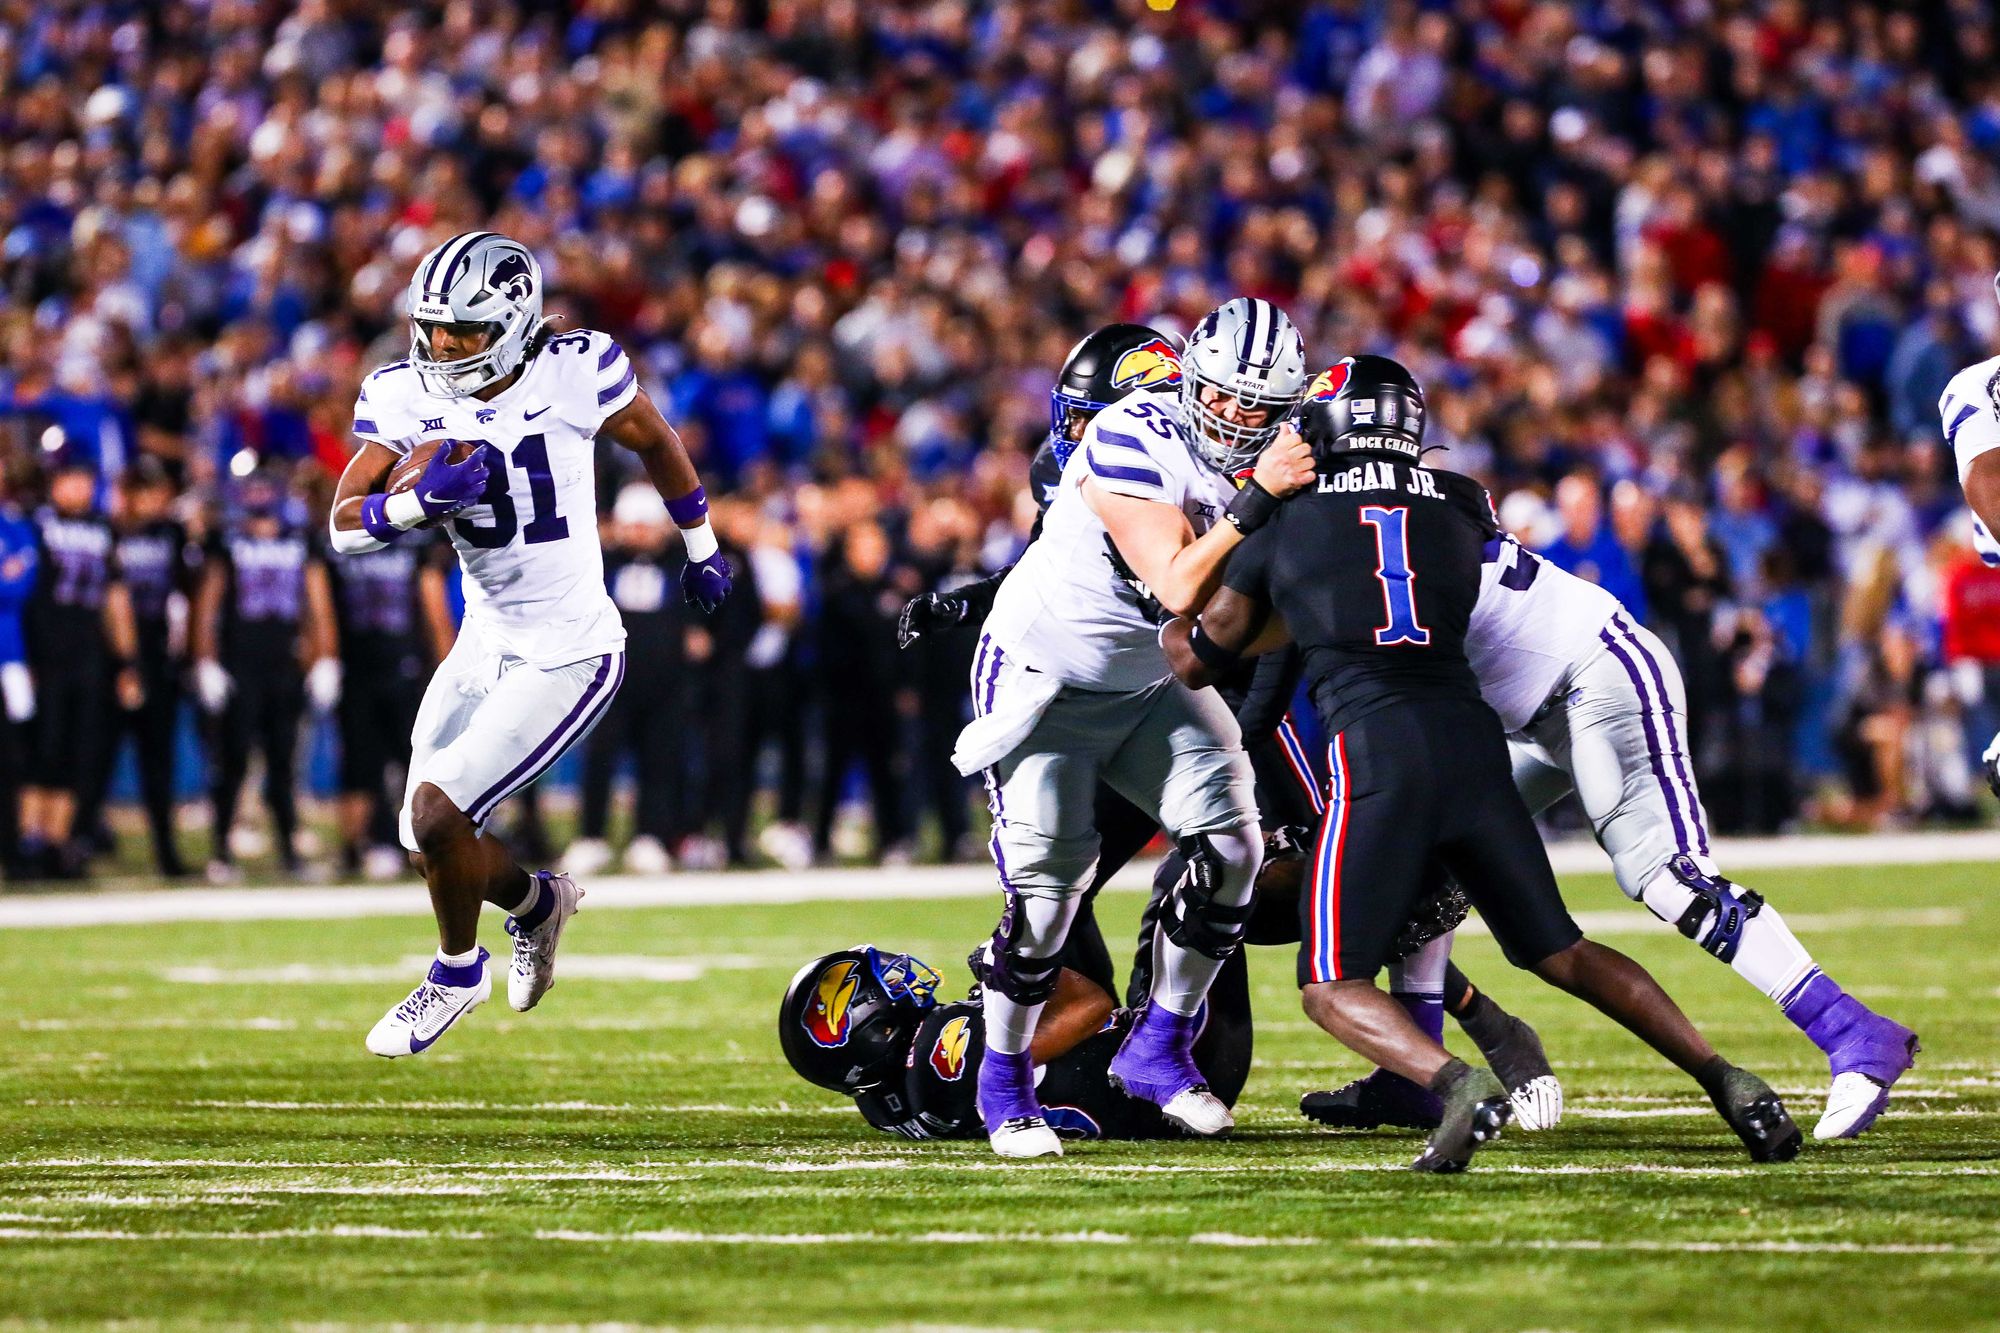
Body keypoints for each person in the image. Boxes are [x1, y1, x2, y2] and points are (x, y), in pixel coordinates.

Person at [1163, 356, 1801, 1172]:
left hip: (1378, 751)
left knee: (1329, 983)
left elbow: (1199, 657)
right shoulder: (1463, 503)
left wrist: (1167, 608)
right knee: (1562, 950)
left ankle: (1458, 1083)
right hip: (1474, 741)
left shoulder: (1284, 520)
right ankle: (1730, 1080)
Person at [327, 232, 732, 1058]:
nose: (444, 347)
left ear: (513, 323)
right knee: (423, 835)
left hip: (570, 648)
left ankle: (455, 972)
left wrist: (702, 546)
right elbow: (342, 523)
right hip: (485, 639)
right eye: (434, 329)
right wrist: (415, 505)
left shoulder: (575, 369)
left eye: (464, 331)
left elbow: (655, 438)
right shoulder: (403, 393)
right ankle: (538, 905)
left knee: (439, 812)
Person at [954, 297, 1316, 1158]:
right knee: (1046, 902)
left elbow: (1252, 625)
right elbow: (1180, 586)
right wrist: (1261, 497)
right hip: (1044, 681)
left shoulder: (1285, 459)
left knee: (1235, 845)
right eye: (1221, 395)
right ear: (1190, 380)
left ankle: (1158, 1044)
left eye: (1257, 407)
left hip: (1147, 679)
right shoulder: (1132, 432)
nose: (1234, 417)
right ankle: (1002, 1086)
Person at [192, 470, 339, 881]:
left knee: (283, 763)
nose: (258, 496)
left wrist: (326, 658)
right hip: (239, 667)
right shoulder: (226, 541)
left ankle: (290, 850)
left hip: (285, 666)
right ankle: (222, 852)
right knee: (233, 761)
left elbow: (317, 602)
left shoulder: (299, 540)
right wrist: (205, 660)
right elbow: (207, 603)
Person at [18, 457, 141, 880]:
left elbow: (116, 600)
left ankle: (58, 844)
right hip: (43, 654)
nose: (76, 487)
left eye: (82, 479)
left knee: (77, 752)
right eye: (68, 478)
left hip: (88, 656)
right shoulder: (34, 523)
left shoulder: (103, 529)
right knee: (40, 750)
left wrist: (126, 662)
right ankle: (28, 842)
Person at [323, 515, 454, 880]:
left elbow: (432, 604)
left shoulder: (415, 541)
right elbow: (320, 601)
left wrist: (448, 665)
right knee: (361, 764)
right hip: (355, 669)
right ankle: (364, 846)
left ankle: (422, 842)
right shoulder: (338, 541)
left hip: (406, 667)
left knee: (419, 761)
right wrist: (326, 657)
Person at [90, 460, 197, 878]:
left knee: (159, 761)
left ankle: (166, 851)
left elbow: (189, 589)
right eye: (143, 490)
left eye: (156, 490)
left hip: (159, 659)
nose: (152, 499)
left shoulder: (171, 534)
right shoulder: (107, 532)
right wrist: (123, 664)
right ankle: (80, 840)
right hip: (111, 662)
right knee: (96, 756)